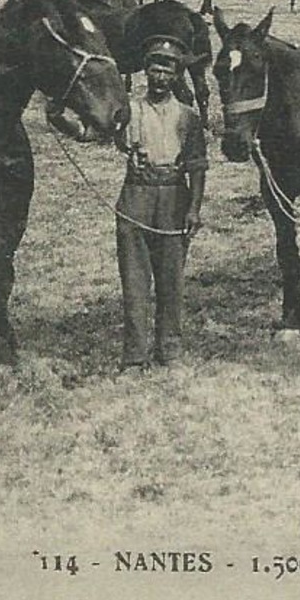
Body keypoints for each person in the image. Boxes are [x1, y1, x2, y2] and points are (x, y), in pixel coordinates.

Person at [116, 34, 208, 371]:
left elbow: (197, 166)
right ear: (145, 71)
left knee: (172, 281)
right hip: (136, 196)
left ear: (177, 75)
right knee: (134, 281)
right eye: (155, 69)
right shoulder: (130, 111)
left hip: (174, 197)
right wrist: (60, 117)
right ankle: (135, 356)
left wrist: (194, 208)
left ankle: (170, 350)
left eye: (168, 71)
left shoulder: (188, 117)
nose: (160, 77)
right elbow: (92, 129)